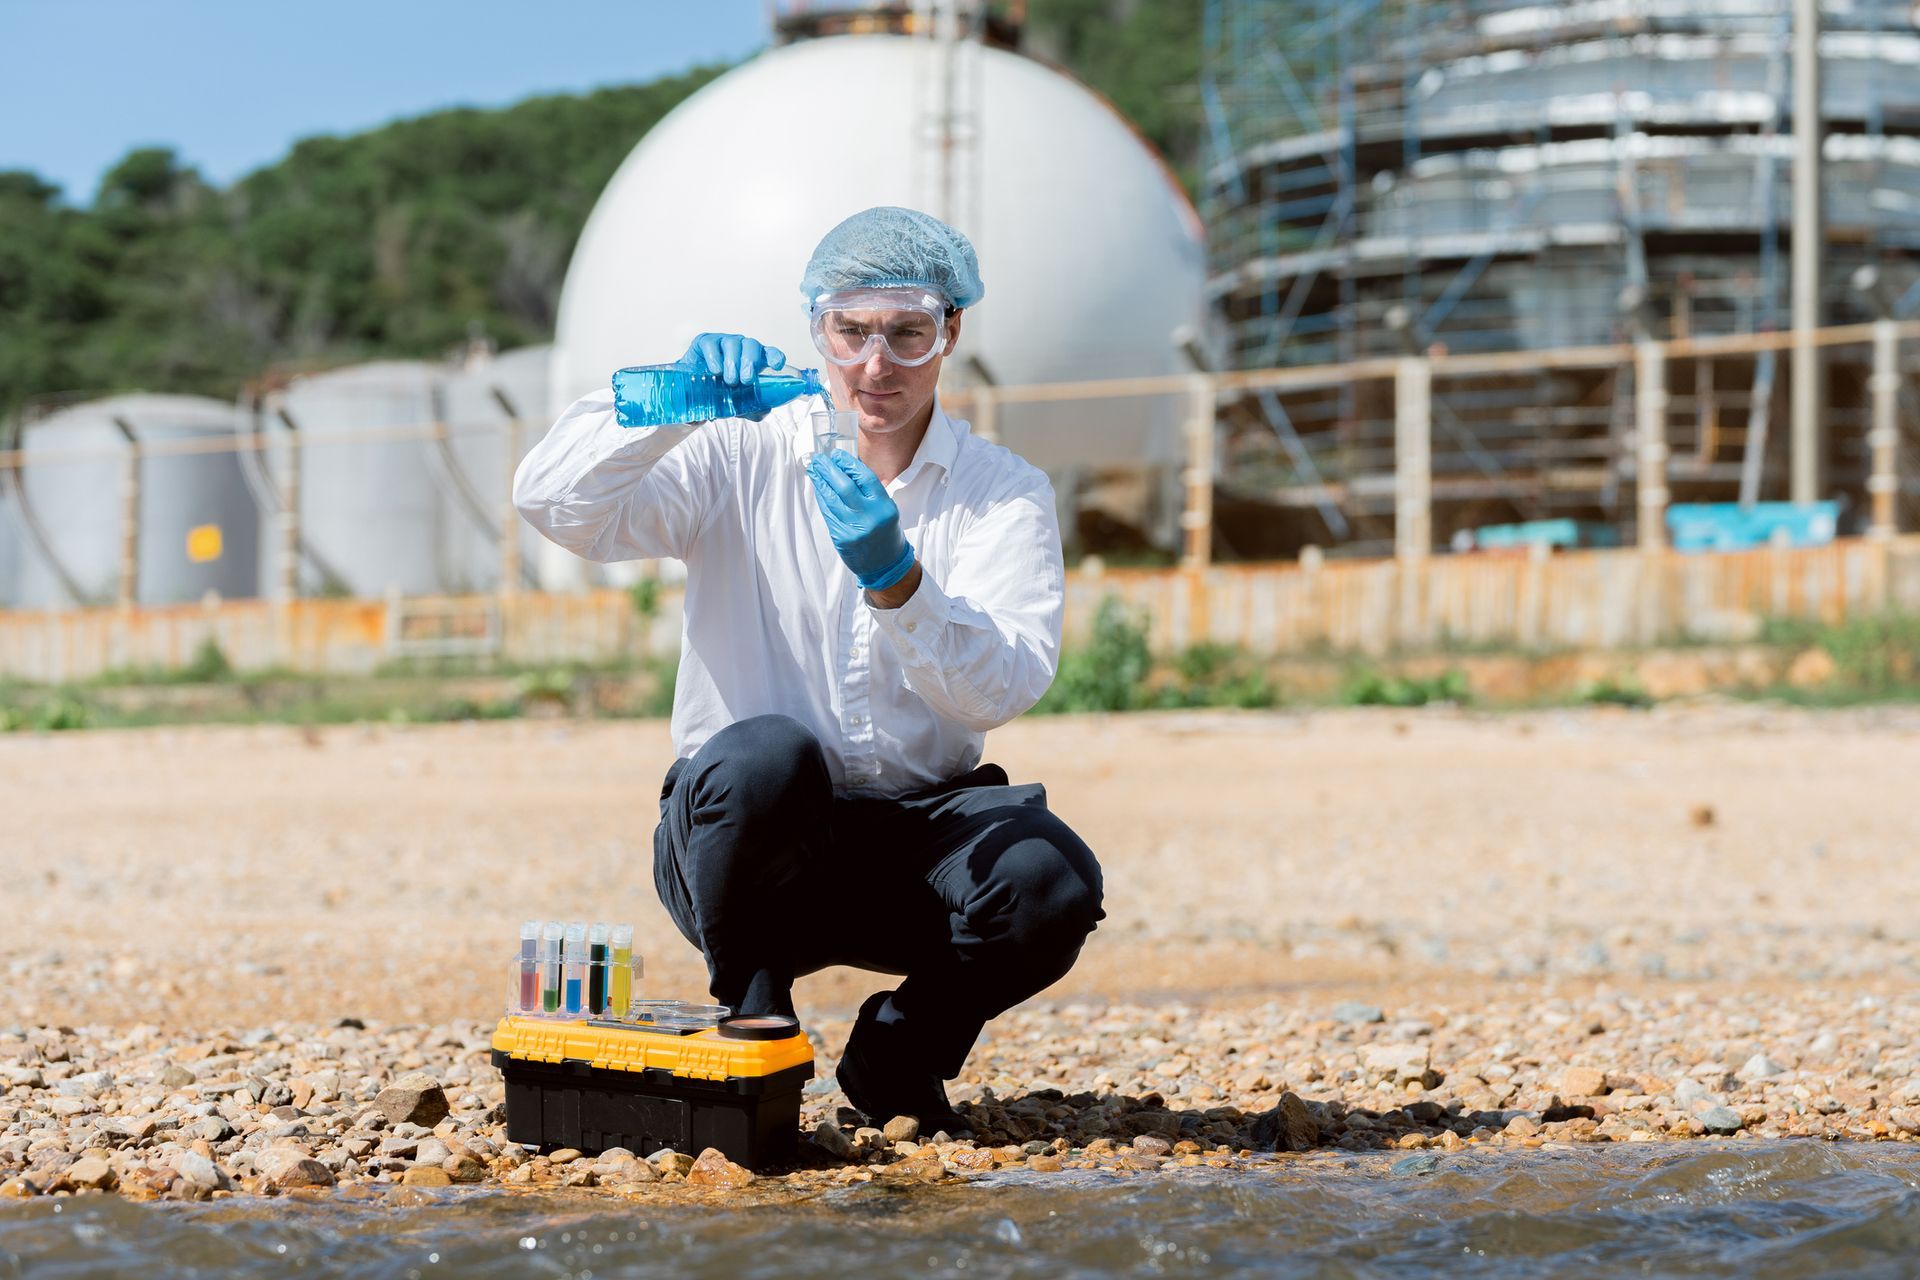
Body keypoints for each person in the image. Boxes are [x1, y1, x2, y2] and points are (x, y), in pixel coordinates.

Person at [513, 206, 1103, 1132]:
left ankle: (898, 1055)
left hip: (918, 841)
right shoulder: (736, 452)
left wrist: (898, 580)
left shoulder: (1001, 492)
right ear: (815, 329)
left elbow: (1004, 685)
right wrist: (669, 401)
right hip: (743, 842)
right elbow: (556, 505)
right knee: (763, 757)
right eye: (851, 331)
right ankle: (756, 1018)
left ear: (950, 331)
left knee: (1050, 882)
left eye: (908, 333)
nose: (877, 365)